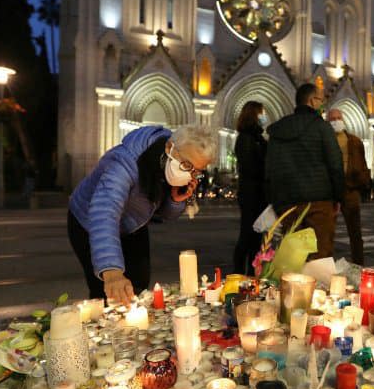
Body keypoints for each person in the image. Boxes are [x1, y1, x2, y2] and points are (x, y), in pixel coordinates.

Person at [68, 125, 213, 303]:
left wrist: (175, 201)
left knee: (138, 283)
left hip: (131, 224)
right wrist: (112, 271)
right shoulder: (125, 162)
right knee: (107, 291)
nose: (190, 175)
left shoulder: (169, 165)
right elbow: (104, 212)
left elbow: (164, 216)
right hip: (89, 223)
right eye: (187, 165)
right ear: (169, 148)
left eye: (197, 171)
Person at [265, 84, 344, 259]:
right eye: (321, 100)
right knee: (320, 256)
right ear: (311, 101)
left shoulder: (278, 130)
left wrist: (275, 201)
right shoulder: (322, 127)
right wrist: (338, 197)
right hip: (319, 203)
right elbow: (335, 164)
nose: (322, 104)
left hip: (287, 204)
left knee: (294, 260)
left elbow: (270, 169)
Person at [327, 109, 370, 265]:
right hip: (330, 191)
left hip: (351, 189)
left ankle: (358, 265)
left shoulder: (355, 141)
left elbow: (363, 163)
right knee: (327, 232)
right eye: (332, 119)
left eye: (339, 118)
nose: (336, 121)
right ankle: (326, 266)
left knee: (355, 232)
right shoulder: (325, 139)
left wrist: (363, 181)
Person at [233, 101, 269, 275]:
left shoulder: (256, 137)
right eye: (262, 113)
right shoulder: (247, 138)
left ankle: (251, 273)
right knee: (247, 236)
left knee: (255, 238)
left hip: (257, 194)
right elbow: (250, 167)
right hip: (251, 194)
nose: (264, 117)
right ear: (254, 115)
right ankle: (238, 273)